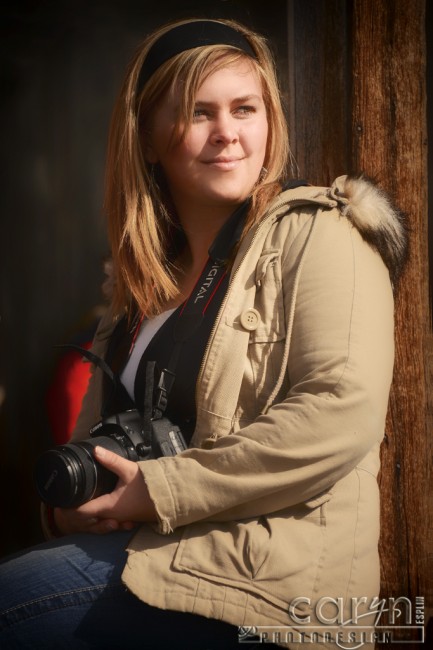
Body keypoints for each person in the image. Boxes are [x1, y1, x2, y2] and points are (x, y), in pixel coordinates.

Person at [0, 17, 407, 650]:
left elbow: (341, 412)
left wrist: (158, 491)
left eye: (244, 109)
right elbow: (94, 444)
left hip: (270, 589)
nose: (227, 133)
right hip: (152, 562)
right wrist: (71, 505)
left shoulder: (323, 232)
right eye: (198, 112)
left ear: (269, 123)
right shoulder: (141, 283)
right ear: (150, 138)